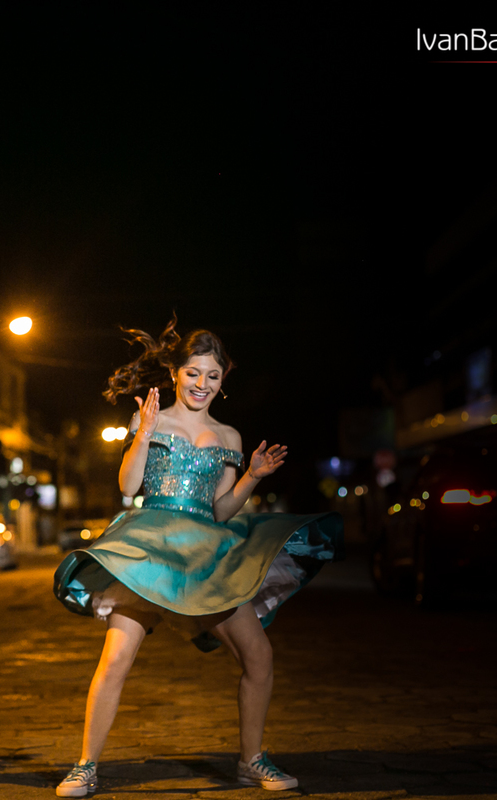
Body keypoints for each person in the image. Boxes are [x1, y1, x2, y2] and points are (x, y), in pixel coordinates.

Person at [52, 317, 342, 796]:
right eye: (193, 372)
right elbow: (128, 487)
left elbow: (222, 511)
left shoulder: (229, 436)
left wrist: (252, 476)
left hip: (205, 552)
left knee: (259, 655)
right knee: (116, 658)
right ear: (175, 373)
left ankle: (251, 760)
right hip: (148, 548)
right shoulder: (151, 419)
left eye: (212, 375)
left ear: (223, 379)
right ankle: (85, 765)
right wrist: (143, 434)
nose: (202, 383)